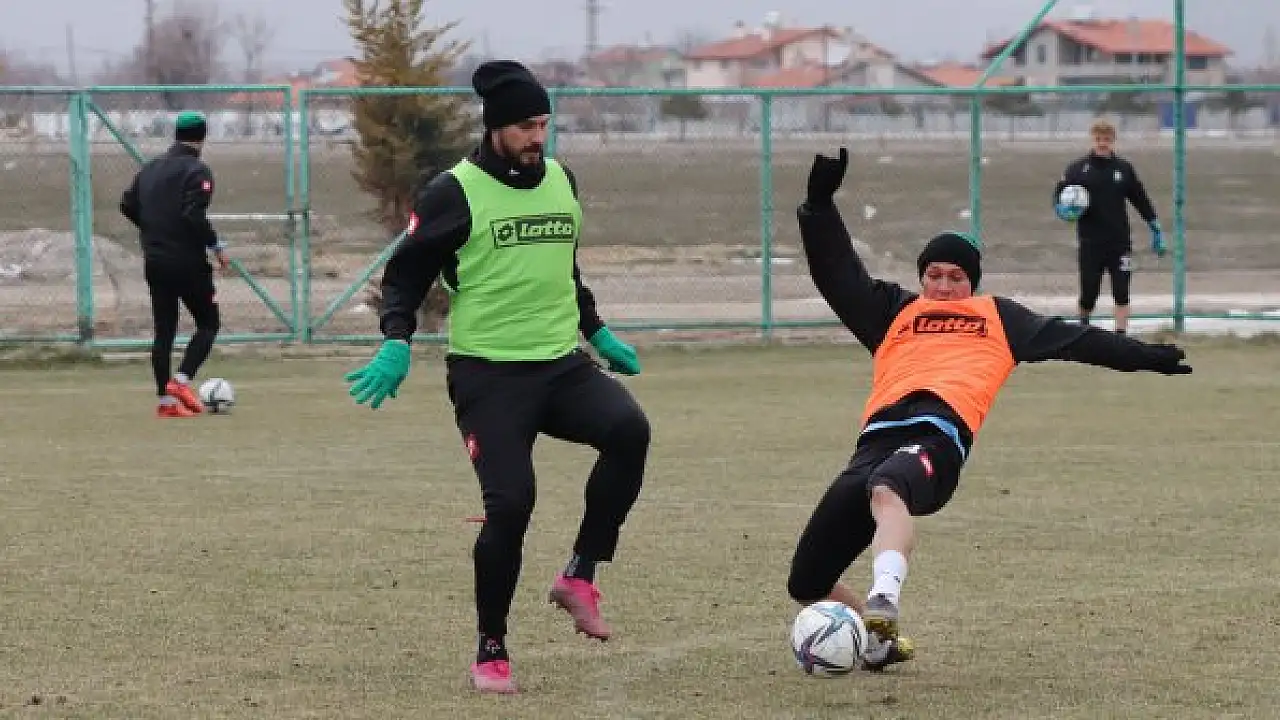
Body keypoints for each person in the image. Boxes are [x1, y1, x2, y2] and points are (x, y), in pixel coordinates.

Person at [787, 147, 1192, 668]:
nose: (943, 285)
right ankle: (878, 640)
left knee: (888, 488)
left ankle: (885, 597)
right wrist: (819, 207)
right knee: (807, 582)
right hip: (873, 443)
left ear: (972, 282)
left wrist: (1146, 357)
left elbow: (1078, 340)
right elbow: (837, 274)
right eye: (934, 274)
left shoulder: (998, 318)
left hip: (937, 438)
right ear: (922, 278)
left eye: (956, 277)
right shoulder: (893, 312)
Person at [342, 60, 652, 695]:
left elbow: (564, 269)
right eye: (524, 127)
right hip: (488, 376)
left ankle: (579, 575)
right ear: (494, 128)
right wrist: (396, 341)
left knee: (629, 430)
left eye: (543, 124)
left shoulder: (562, 179)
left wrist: (596, 331)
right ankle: (492, 650)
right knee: (510, 505)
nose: (537, 137)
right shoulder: (453, 192)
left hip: (560, 366)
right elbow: (405, 273)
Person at [119, 110, 228, 418]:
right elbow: (193, 215)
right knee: (208, 323)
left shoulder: (150, 168)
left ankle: (166, 403)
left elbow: (127, 204)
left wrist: (154, 229)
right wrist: (216, 246)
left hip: (155, 259)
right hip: (187, 261)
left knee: (164, 330)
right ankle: (180, 381)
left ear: (176, 135)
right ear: (203, 137)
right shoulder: (197, 170)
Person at [1053, 118, 1166, 334]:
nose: (1102, 143)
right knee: (1089, 293)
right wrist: (1062, 210)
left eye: (1106, 139)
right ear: (1092, 140)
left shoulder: (1123, 169)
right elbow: (1059, 195)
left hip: (1120, 242)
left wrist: (1154, 226)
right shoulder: (1077, 169)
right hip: (1090, 242)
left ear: (1113, 140)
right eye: (1098, 139)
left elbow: (1140, 198)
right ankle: (1083, 332)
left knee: (1122, 292)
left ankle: (1120, 336)